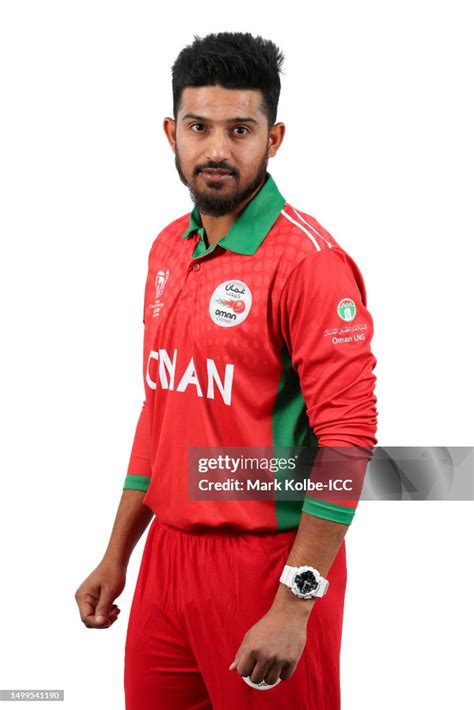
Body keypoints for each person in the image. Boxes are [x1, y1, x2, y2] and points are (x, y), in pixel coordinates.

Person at [75, 31, 378, 710]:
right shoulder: (166, 249)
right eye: (199, 127)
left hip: (267, 564)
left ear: (273, 139)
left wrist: (296, 603)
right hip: (167, 564)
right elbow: (162, 409)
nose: (216, 149)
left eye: (240, 129)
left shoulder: (308, 263)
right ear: (171, 132)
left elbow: (349, 442)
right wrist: (117, 555)